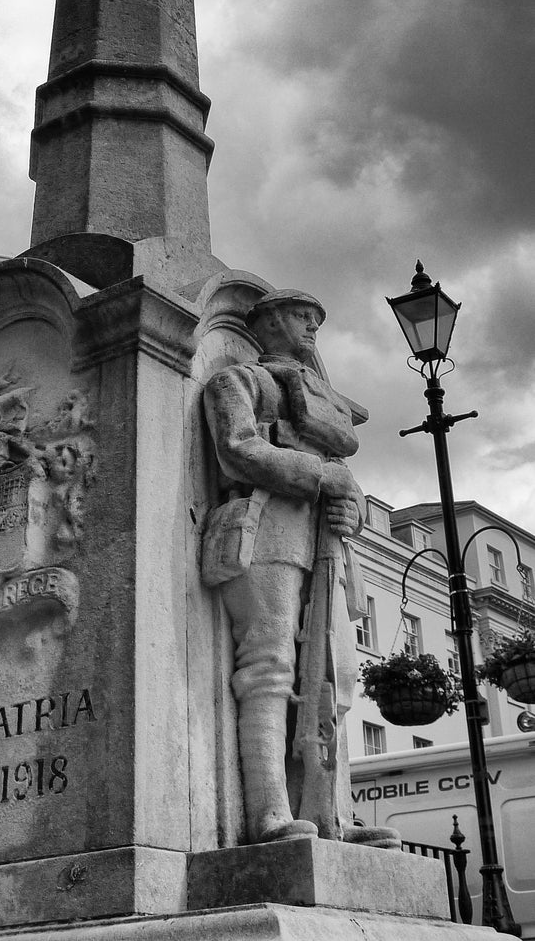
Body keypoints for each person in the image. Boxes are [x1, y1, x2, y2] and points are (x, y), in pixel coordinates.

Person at [202, 288, 398, 847]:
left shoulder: (321, 404)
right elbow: (238, 448)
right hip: (266, 531)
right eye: (299, 317)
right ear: (265, 323)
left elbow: (349, 487)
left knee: (334, 681)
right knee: (269, 665)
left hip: (329, 544)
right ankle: (268, 812)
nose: (311, 327)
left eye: (316, 318)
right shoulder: (240, 381)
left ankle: (331, 815)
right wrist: (318, 478)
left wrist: (350, 505)